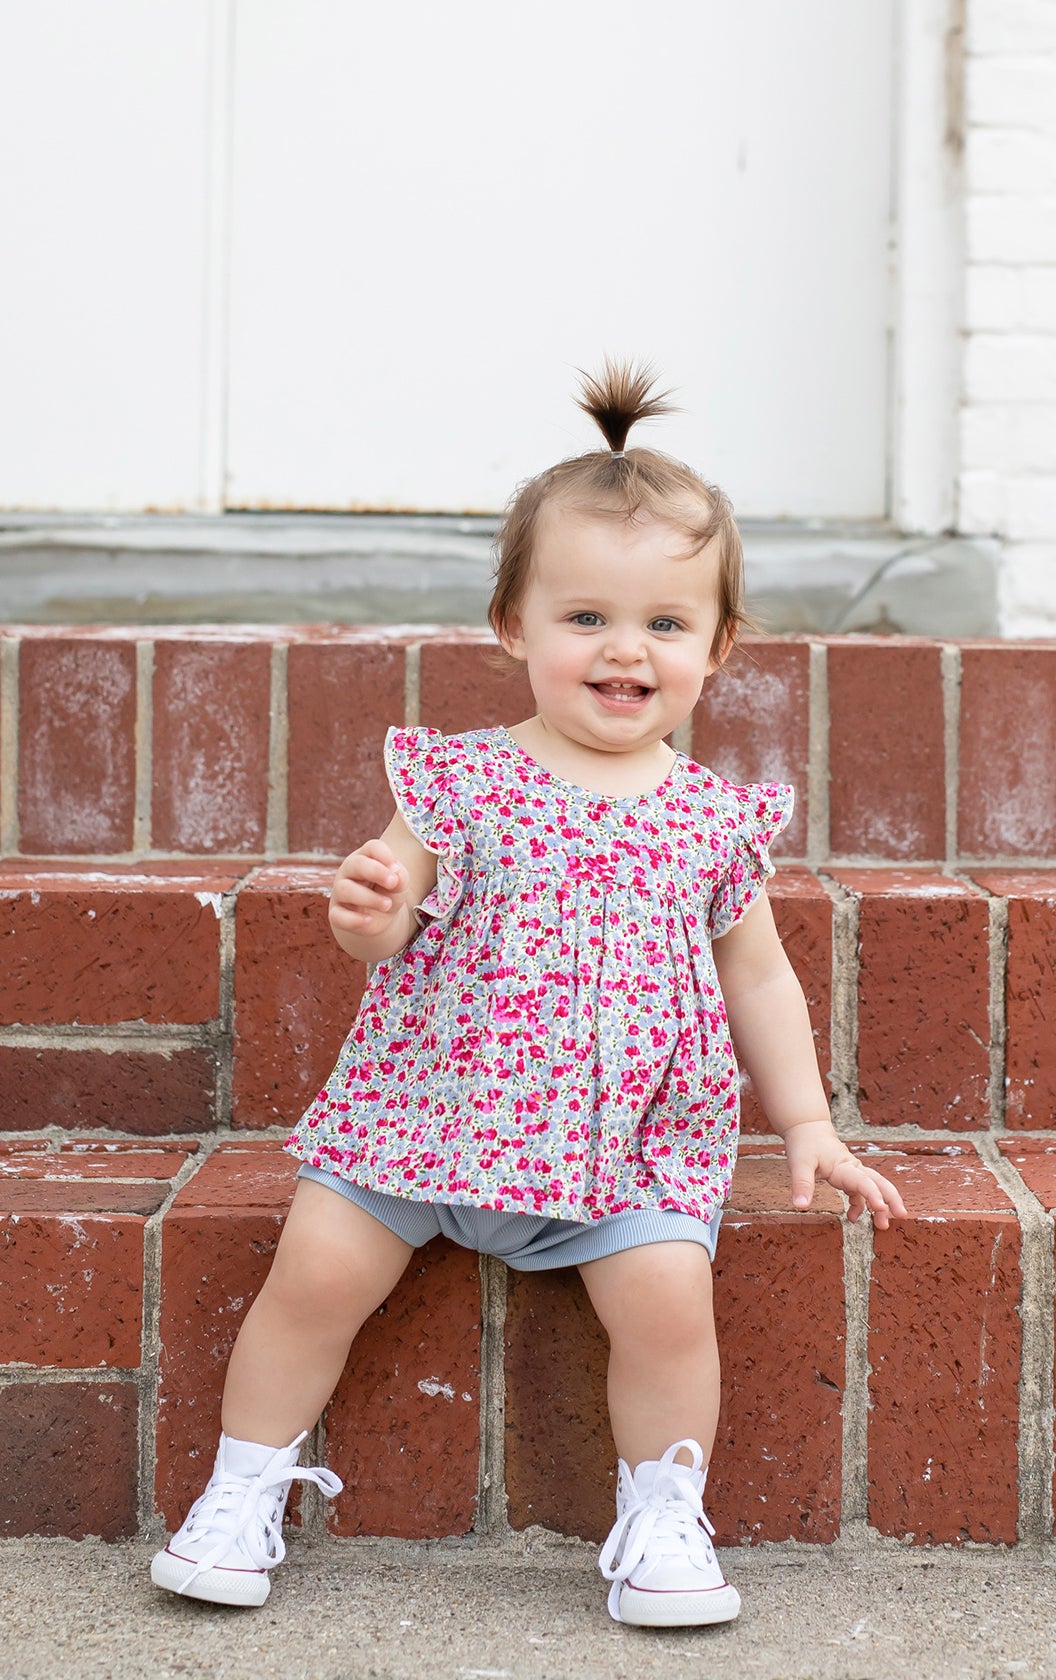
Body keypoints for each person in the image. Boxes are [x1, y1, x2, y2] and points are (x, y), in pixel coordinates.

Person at [151, 362, 907, 1626]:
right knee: (314, 1273)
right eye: (586, 619)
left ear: (718, 648)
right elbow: (390, 924)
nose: (626, 649)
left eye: (667, 625)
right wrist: (371, 914)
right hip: (424, 1121)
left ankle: (663, 1514)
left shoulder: (713, 822)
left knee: (669, 1309)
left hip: (625, 1148)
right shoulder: (460, 780)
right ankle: (241, 1485)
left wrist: (809, 1123)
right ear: (514, 626)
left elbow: (757, 971)